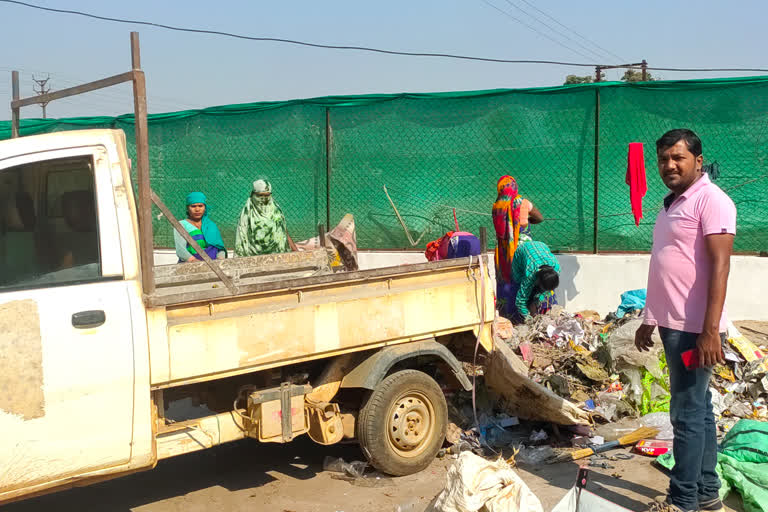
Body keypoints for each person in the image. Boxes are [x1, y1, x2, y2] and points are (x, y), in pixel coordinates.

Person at [635, 129, 736, 512]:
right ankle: (707, 492)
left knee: (687, 413)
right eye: (663, 159)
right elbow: (666, 264)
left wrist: (711, 331)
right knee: (698, 409)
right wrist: (650, 316)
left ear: (698, 159)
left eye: (678, 158)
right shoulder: (672, 202)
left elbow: (720, 267)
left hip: (695, 329)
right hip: (671, 323)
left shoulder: (712, 201)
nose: (669, 165)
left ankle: (682, 501)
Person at [492, 175, 544, 317]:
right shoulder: (522, 203)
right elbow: (540, 218)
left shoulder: (497, 206)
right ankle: (526, 315)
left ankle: (507, 314)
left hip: (504, 252)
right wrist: (526, 219)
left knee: (506, 281)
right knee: (526, 281)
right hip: (522, 249)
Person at [235, 179, 298, 257]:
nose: (263, 199)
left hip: (278, 254)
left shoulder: (275, 211)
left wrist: (295, 249)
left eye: (267, 195)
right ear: (253, 195)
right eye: (260, 195)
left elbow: (283, 231)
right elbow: (241, 239)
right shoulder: (247, 214)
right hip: (253, 257)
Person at [504, 240, 560, 324]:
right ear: (538, 280)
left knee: (545, 297)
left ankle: (537, 306)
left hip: (541, 246)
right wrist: (529, 319)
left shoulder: (556, 269)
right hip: (523, 251)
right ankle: (515, 318)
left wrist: (539, 298)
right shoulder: (529, 275)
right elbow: (520, 301)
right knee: (518, 285)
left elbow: (547, 291)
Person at [174, 191, 226, 263]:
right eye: (193, 206)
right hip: (189, 267)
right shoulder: (181, 225)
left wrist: (219, 261)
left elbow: (220, 248)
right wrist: (197, 264)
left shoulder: (211, 225)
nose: (197, 209)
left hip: (214, 266)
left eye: (200, 206)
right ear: (187, 208)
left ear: (205, 207)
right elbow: (181, 251)